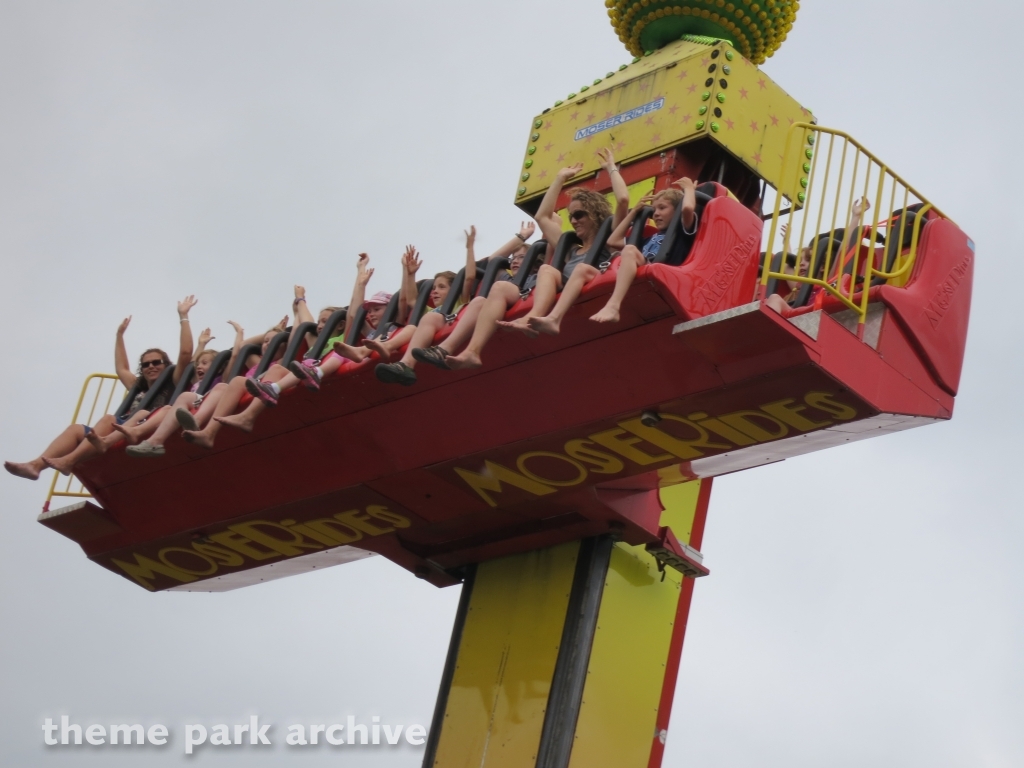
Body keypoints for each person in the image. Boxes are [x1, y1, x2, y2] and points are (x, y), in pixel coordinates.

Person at [442, 148, 628, 370]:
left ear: (595, 214)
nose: (573, 221)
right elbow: (542, 217)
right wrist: (559, 178)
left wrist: (611, 168)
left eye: (579, 215)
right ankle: (473, 352)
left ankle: (533, 318)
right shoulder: (570, 249)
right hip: (564, 289)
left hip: (593, 279)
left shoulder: (608, 238)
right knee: (514, 282)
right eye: (571, 217)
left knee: (558, 270)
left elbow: (623, 200)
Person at [4, 297, 198, 480]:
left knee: (108, 419)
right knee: (75, 429)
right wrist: (119, 336)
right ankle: (35, 466)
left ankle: (69, 461)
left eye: (156, 362)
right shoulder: (137, 386)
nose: (151, 367)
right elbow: (122, 369)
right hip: (123, 424)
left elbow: (185, 353)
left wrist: (183, 316)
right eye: (146, 364)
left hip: (146, 426)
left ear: (166, 364)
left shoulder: (173, 380)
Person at [376, 222, 539, 384]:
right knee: (430, 317)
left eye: (521, 257)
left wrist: (471, 248)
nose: (514, 261)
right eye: (513, 258)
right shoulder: (505, 276)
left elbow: (470, 276)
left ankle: (443, 350)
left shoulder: (534, 276)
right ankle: (406, 364)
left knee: (479, 300)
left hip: (511, 299)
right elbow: (493, 261)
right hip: (457, 317)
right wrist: (409, 274)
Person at [589, 178, 698, 324]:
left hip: (668, 274)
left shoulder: (682, 230)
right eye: (654, 210)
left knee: (629, 250)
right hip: (646, 270)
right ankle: (613, 304)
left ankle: (613, 306)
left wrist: (689, 189)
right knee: (628, 251)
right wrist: (634, 212)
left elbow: (687, 209)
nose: (656, 214)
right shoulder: (649, 238)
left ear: (676, 210)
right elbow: (613, 241)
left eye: (662, 208)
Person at [765, 198, 871, 315]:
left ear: (822, 267)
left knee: (775, 298)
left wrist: (856, 216)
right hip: (796, 316)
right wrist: (786, 241)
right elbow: (786, 265)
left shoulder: (827, 284)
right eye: (799, 261)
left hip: (814, 314)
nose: (801, 264)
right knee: (774, 298)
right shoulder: (799, 286)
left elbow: (843, 250)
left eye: (808, 260)